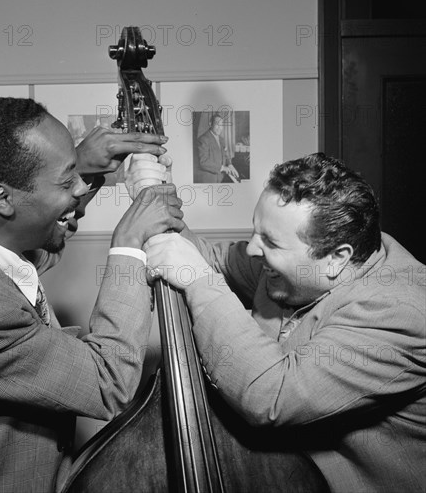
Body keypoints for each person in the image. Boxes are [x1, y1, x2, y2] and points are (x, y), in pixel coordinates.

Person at [0, 97, 184, 493]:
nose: (81, 189)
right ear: (2, 198)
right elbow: (109, 385)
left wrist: (78, 165)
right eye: (67, 182)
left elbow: (36, 249)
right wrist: (129, 241)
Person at [130, 152, 425, 493]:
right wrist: (158, 194)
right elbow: (210, 261)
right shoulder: (291, 268)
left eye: (270, 242)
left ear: (336, 258)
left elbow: (270, 396)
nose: (253, 250)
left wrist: (199, 279)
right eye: (256, 232)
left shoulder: (400, 313)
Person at [195, 114, 239, 183]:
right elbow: (203, 162)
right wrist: (223, 168)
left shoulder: (221, 139)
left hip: (220, 178)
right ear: (210, 124)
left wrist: (230, 165)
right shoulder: (203, 140)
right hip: (209, 179)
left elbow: (225, 155)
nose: (220, 128)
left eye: (221, 125)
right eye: (217, 124)